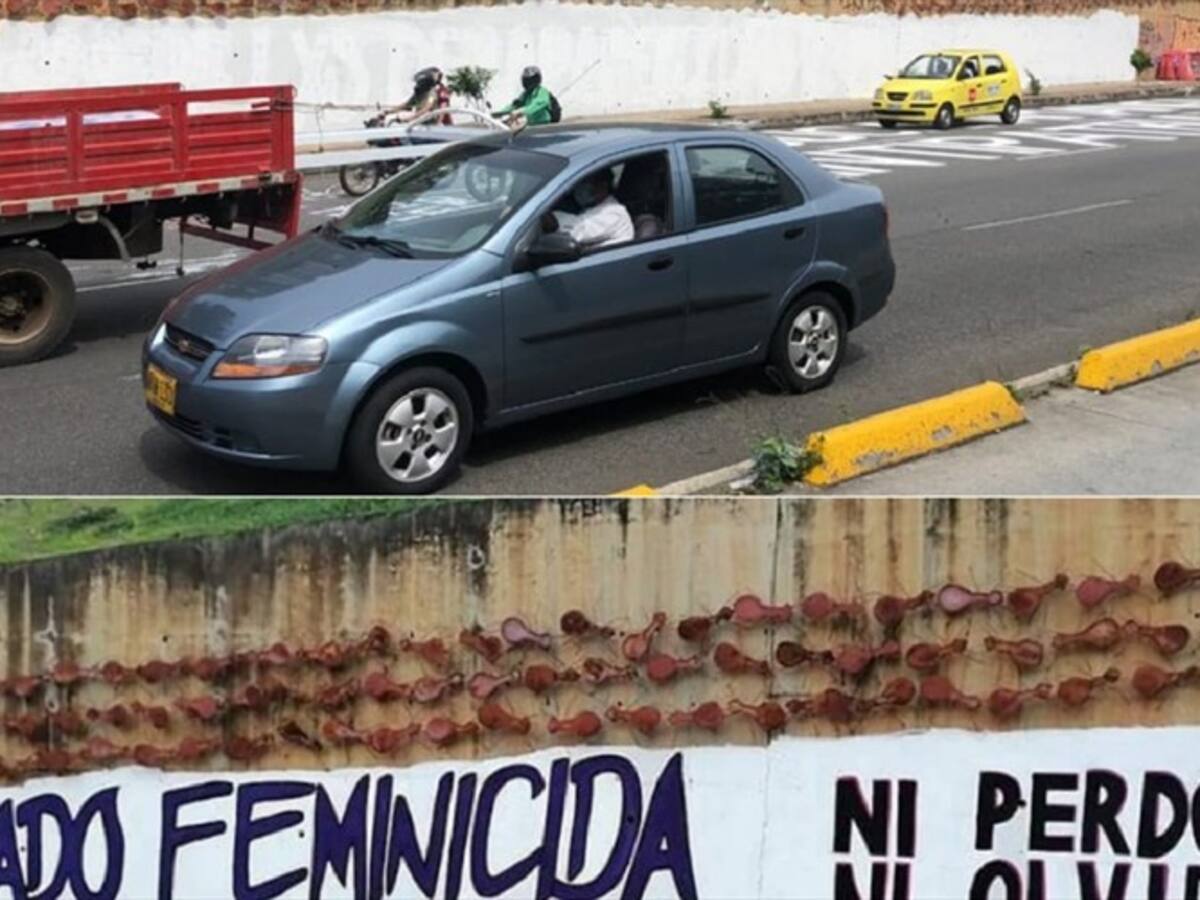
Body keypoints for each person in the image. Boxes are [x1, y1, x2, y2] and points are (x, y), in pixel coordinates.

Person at [542, 169, 633, 249]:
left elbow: (578, 229)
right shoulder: (592, 207)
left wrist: (543, 214)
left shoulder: (615, 213)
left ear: (602, 185)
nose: (579, 188)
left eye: (584, 183)